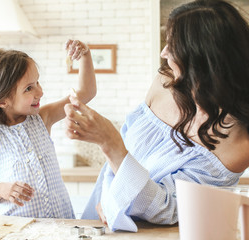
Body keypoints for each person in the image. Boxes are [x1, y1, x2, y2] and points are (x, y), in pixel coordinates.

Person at [63, 0, 249, 232]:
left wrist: (110, 143)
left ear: (204, 57)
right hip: (101, 221)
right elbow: (123, 158)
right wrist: (112, 198)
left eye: (173, 45)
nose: (164, 52)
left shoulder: (239, 142)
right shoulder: (165, 82)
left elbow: (168, 208)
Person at [0, 39, 96, 218]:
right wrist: (0, 189)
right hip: (18, 231)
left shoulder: (42, 118)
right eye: (28, 88)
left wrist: (85, 56)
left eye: (37, 83)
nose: (40, 92)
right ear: (2, 101)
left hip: (61, 226)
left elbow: (86, 93)